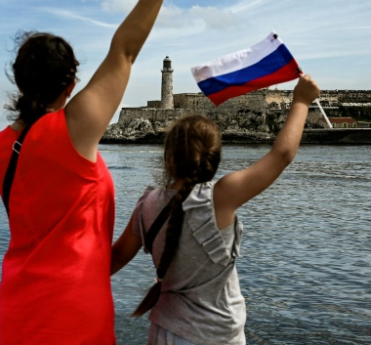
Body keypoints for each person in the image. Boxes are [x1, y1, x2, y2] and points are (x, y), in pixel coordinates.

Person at [0, 0, 182, 343]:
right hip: (73, 318)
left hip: (18, 313)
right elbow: (124, 52)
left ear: (20, 81)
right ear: (72, 84)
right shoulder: (72, 129)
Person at [110, 75, 321, 345]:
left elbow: (113, 259)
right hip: (216, 335)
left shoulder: (147, 204)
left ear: (168, 157)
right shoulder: (220, 197)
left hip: (163, 332)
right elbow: (282, 155)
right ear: (214, 156)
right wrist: (301, 101)